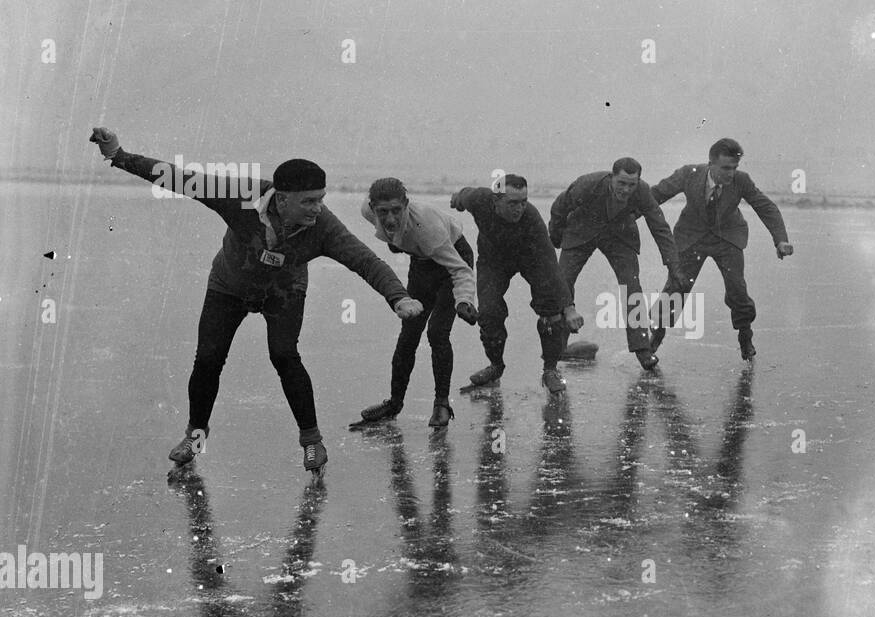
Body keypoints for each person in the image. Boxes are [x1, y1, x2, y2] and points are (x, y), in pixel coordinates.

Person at [88, 127, 424, 471]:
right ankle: (195, 436)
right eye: (309, 201)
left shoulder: (322, 225)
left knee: (284, 355)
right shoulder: (238, 195)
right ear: (281, 199)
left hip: (284, 291)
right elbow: (176, 177)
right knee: (208, 358)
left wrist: (397, 297)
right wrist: (117, 155)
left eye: (320, 198)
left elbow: (365, 260)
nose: (317, 208)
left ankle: (312, 441)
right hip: (229, 284)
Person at [647, 137, 794, 362]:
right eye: (725, 168)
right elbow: (655, 196)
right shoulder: (689, 174)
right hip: (692, 237)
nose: (731, 173)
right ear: (711, 163)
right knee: (676, 286)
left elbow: (765, 206)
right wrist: (628, 214)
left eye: (735, 168)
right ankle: (657, 335)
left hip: (727, 238)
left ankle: (745, 334)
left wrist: (780, 240)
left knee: (737, 288)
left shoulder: (741, 180)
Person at [353, 178, 479, 429]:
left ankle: (442, 404)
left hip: (451, 261)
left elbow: (461, 271)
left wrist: (464, 300)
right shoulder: (366, 211)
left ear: (406, 205)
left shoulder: (427, 228)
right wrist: (395, 242)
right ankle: (394, 403)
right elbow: (394, 235)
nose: (390, 219)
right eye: (383, 212)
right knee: (409, 334)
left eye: (397, 211)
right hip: (421, 264)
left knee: (437, 332)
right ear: (372, 208)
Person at [449, 174, 583, 393]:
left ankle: (550, 370)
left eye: (523, 201)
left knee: (550, 308)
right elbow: (464, 195)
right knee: (489, 312)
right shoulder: (480, 200)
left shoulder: (532, 219)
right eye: (512, 203)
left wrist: (568, 307)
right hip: (493, 261)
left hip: (531, 259)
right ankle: (496, 366)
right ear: (495, 202)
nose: (519, 208)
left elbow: (551, 265)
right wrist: (457, 200)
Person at [549, 158, 682, 371]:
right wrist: (555, 237)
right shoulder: (588, 184)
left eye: (632, 184)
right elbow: (559, 207)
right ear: (611, 178)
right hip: (582, 230)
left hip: (619, 235)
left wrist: (673, 265)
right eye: (621, 183)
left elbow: (660, 227)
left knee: (632, 286)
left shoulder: (642, 191)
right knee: (562, 279)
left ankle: (643, 349)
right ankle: (557, 345)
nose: (626, 189)